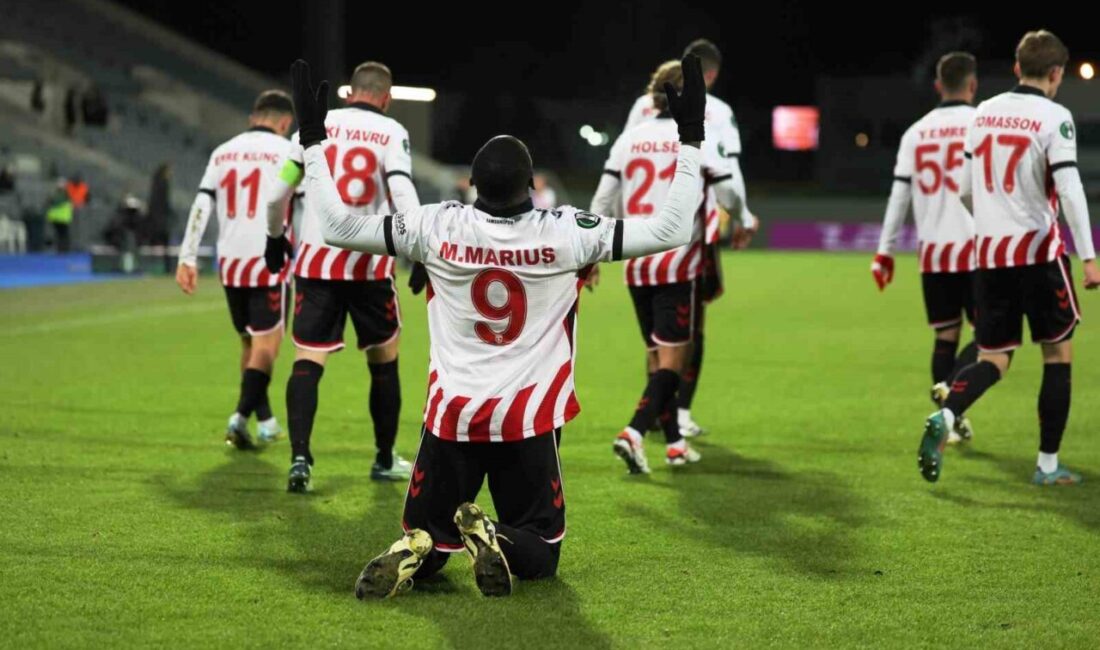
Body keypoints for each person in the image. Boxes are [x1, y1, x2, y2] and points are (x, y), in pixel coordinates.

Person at [285, 55, 706, 597]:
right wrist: (690, 138)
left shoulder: (435, 224)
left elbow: (338, 225)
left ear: (471, 185)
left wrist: (314, 141)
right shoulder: (566, 233)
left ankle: (417, 548)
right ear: (531, 185)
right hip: (526, 420)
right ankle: (495, 537)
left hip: (451, 417)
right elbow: (671, 228)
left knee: (428, 540)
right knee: (542, 551)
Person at [919, 30, 1100, 485]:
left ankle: (947, 415)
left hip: (990, 256)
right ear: (1057, 73)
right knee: (1057, 354)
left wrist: (994, 222)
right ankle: (1047, 465)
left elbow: (963, 188)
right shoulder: (1055, 117)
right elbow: (1071, 189)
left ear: (1018, 68)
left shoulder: (984, 113)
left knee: (993, 358)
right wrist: (1089, 256)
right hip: (1039, 252)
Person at [265, 60, 421, 492]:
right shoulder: (392, 133)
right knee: (383, 362)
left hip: (315, 263)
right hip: (369, 264)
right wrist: (418, 250)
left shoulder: (317, 123)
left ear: (349, 92)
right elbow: (402, 191)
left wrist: (273, 237)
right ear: (386, 99)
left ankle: (300, 459)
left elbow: (278, 190)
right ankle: (385, 457)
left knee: (307, 361)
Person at [591, 59, 749, 473]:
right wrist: (745, 219)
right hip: (678, 261)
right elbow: (728, 188)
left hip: (635, 262)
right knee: (675, 358)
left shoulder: (629, 139)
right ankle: (635, 431)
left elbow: (603, 199)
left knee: (655, 353)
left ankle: (675, 443)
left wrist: (591, 256)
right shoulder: (696, 134)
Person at [176, 90, 297, 449]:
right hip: (268, 260)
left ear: (252, 118)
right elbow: (301, 207)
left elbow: (201, 204)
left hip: (230, 264)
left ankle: (267, 421)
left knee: (249, 340)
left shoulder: (223, 151)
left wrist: (188, 256)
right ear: (285, 122)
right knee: (268, 347)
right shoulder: (288, 152)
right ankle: (239, 418)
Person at [873, 52, 980, 444]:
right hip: (975, 250)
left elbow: (898, 197)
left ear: (938, 85)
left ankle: (948, 418)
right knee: (990, 340)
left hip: (933, 253)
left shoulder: (915, 132)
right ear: (972, 85)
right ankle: (951, 395)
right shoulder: (981, 123)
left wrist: (884, 250)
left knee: (945, 337)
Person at [146, 163, 174, 273]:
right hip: (160, 220)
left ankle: (156, 267)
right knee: (164, 244)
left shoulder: (155, 183)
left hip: (155, 218)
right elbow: (164, 202)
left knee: (156, 244)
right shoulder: (163, 184)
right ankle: (166, 268)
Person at [45, 179, 73, 252]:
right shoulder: (64, 195)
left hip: (59, 218)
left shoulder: (58, 195)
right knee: (62, 235)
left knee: (60, 235)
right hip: (61, 218)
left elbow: (51, 203)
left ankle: (62, 249)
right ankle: (62, 249)